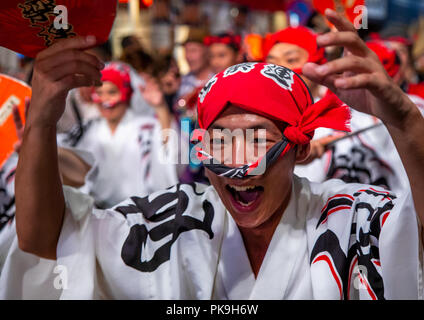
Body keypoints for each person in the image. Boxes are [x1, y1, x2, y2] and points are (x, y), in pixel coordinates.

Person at [1, 10, 424, 300]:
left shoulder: (347, 216)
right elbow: (47, 243)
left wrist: (403, 119)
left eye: (258, 137)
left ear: (297, 148)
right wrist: (41, 120)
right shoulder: (173, 220)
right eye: (220, 139)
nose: (238, 164)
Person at [57, 61, 182, 208]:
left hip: (143, 213)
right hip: (98, 214)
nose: (105, 101)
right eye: (99, 93)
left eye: (112, 92)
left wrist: (160, 108)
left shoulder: (146, 127)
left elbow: (170, 153)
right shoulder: (86, 129)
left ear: (127, 93)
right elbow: (62, 153)